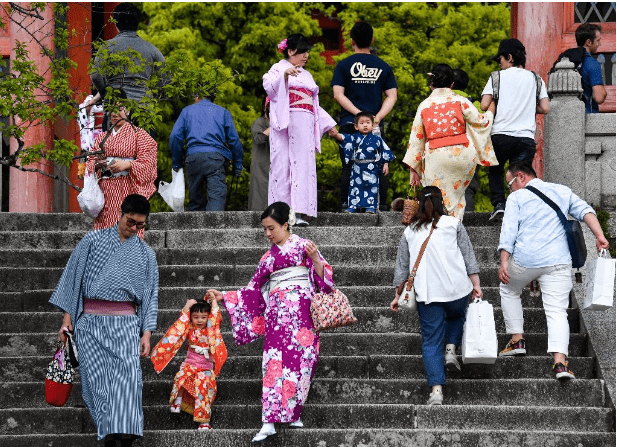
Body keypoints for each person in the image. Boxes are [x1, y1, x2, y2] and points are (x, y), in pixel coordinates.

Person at [207, 201, 335, 443]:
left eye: (271, 228)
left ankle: (293, 413)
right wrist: (225, 296)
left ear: (286, 225)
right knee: (273, 366)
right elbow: (253, 291)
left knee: (304, 363)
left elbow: (325, 280)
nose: (267, 234)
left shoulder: (304, 247)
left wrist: (315, 258)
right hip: (277, 318)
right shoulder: (268, 257)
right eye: (264, 229)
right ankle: (268, 421)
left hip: (304, 315)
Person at [49, 194, 159, 447]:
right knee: (97, 384)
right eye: (131, 222)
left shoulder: (146, 254)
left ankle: (127, 440)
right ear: (120, 214)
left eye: (140, 225)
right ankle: (109, 439)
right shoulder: (92, 241)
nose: (134, 229)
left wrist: (146, 333)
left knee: (129, 384)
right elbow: (73, 280)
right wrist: (67, 321)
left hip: (126, 325)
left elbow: (151, 294)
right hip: (90, 325)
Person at [497, 161, 609, 379]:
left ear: (520, 177)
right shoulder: (561, 191)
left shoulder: (517, 198)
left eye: (510, 183)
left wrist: (503, 262)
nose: (510, 188)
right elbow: (586, 211)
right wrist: (599, 235)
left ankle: (517, 340)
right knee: (557, 311)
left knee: (508, 288)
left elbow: (508, 232)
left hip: (525, 260)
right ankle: (560, 364)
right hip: (558, 262)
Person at [390, 186, 482, 405]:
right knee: (458, 314)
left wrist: (397, 295)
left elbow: (402, 268)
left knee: (431, 342)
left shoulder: (409, 230)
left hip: (428, 295)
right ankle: (451, 349)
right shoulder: (454, 224)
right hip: (457, 290)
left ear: (419, 203)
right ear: (442, 202)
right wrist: (476, 285)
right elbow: (468, 257)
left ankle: (436, 392)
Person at [404, 64, 498, 221]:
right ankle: (454, 226)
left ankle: (437, 229)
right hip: (462, 155)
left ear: (431, 83)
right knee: (456, 197)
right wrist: (490, 112)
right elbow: (480, 122)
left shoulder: (425, 105)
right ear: (452, 84)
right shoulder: (461, 101)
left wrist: (414, 169)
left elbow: (416, 139)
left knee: (435, 197)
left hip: (436, 155)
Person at [263, 33, 337, 226]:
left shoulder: (307, 75)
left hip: (304, 124)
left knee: (303, 167)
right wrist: (284, 76)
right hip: (286, 125)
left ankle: (300, 213)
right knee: (283, 167)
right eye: (302, 52)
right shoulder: (277, 68)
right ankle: (281, 213)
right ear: (290, 51)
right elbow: (269, 88)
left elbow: (313, 104)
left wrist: (328, 124)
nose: (306, 56)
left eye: (307, 52)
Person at [480, 38, 550, 221]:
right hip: (525, 138)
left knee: (495, 169)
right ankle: (519, 208)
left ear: (509, 57)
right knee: (520, 173)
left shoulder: (497, 77)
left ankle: (499, 205)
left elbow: (484, 104)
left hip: (500, 135)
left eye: (500, 59)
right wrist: (525, 106)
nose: (500, 63)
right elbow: (545, 108)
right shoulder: (536, 78)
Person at [331, 20, 397, 212]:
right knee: (378, 163)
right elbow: (392, 96)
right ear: (372, 39)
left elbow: (338, 94)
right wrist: (375, 118)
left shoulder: (343, 65)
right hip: (374, 124)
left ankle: (347, 205)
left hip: (349, 123)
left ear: (351, 41)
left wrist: (357, 115)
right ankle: (381, 206)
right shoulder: (382, 66)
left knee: (349, 165)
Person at [86, 90, 157, 238]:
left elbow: (149, 164)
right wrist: (99, 164)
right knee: (104, 232)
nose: (114, 113)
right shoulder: (102, 137)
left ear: (128, 110)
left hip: (128, 188)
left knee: (127, 228)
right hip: (105, 190)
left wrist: (128, 165)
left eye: (119, 109)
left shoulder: (139, 135)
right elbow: (91, 160)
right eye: (111, 109)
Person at [151, 297, 227, 431]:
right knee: (181, 377)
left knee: (204, 391)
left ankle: (204, 422)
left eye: (203, 317)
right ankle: (178, 400)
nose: (199, 320)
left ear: (208, 317)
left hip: (206, 368)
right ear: (191, 317)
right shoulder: (190, 327)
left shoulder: (211, 328)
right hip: (190, 363)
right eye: (196, 317)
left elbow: (216, 315)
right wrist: (188, 305)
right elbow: (182, 320)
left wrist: (214, 301)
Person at [169, 94, 244, 211]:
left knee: (195, 200)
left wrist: (177, 162)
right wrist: (238, 164)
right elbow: (234, 140)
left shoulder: (187, 111)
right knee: (216, 199)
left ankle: (195, 226)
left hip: (193, 158)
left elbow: (175, 136)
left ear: (197, 96)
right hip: (215, 159)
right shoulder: (223, 112)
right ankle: (213, 226)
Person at [88, 3, 165, 114]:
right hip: (143, 110)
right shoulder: (152, 49)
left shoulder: (107, 47)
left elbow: (95, 76)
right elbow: (166, 77)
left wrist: (106, 94)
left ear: (116, 23)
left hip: (115, 110)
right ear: (138, 22)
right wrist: (150, 94)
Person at [330, 111, 396, 213]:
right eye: (361, 123)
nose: (365, 125)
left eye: (368, 122)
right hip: (357, 167)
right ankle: (353, 205)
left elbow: (384, 152)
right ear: (356, 126)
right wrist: (335, 134)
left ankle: (370, 206)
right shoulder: (354, 137)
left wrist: (385, 164)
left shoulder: (377, 139)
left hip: (371, 167)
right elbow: (343, 138)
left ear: (373, 125)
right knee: (355, 186)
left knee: (371, 187)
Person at [452, 69, 481, 212]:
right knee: (468, 188)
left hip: (447, 150)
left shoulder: (442, 102)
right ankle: (469, 221)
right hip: (470, 152)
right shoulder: (474, 103)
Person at [576, 23, 607, 113]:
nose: (599, 44)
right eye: (598, 40)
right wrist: (604, 92)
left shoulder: (568, 60)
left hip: (570, 117)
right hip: (588, 116)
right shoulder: (593, 64)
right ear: (589, 42)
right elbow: (599, 97)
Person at [248, 97, 271, 211]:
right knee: (259, 199)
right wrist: (273, 127)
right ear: (264, 108)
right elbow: (258, 138)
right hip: (261, 167)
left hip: (276, 168)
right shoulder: (259, 122)